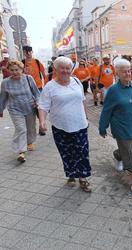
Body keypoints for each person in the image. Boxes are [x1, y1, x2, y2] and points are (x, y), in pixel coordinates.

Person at [38, 56, 92, 192]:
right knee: (66, 152)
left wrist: (86, 117)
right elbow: (43, 106)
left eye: (68, 68)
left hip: (80, 124)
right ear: (55, 69)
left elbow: (83, 100)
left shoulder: (76, 82)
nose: (65, 71)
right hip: (60, 126)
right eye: (62, 68)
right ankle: (71, 174)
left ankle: (83, 178)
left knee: (82, 152)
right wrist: (42, 121)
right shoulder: (50, 87)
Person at [99, 58, 132, 198]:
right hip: (121, 127)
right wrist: (102, 126)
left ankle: (117, 156)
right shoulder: (113, 90)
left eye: (129, 70)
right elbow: (107, 110)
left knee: (129, 149)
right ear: (117, 73)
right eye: (124, 71)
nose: (127, 73)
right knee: (130, 154)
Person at [0, 60, 40, 162]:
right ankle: (21, 152)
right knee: (21, 129)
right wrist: (0, 109)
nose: (14, 72)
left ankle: (29, 142)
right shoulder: (5, 82)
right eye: (12, 70)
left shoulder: (28, 78)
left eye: (17, 70)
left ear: (21, 69)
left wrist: (39, 103)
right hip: (15, 109)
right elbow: (3, 97)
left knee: (30, 128)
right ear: (8, 70)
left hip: (30, 107)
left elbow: (36, 93)